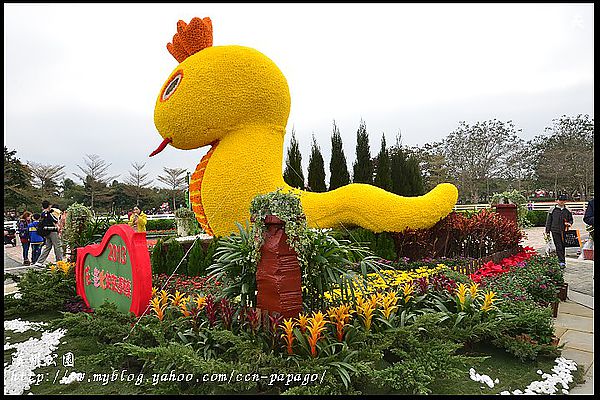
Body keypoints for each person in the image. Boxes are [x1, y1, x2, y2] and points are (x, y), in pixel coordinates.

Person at [545, 194, 574, 267]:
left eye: (563, 200)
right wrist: (547, 231)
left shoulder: (567, 210)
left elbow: (571, 220)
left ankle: (562, 260)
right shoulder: (552, 210)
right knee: (558, 246)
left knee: (563, 246)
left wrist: (569, 223)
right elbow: (549, 221)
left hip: (564, 231)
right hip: (555, 230)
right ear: (556, 201)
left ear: (565, 201)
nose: (561, 202)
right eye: (560, 200)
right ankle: (561, 261)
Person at [33, 200, 63, 267]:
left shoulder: (42, 214)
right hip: (52, 231)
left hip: (46, 232)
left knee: (48, 247)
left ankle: (39, 261)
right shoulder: (49, 213)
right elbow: (54, 220)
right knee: (57, 246)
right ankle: (60, 262)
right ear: (49, 206)